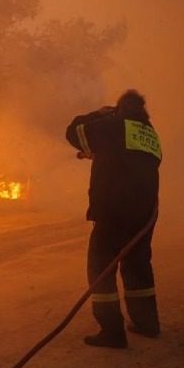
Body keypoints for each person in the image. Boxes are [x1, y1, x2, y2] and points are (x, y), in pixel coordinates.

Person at [65, 89, 162, 348]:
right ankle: (147, 324)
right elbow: (131, 161)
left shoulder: (114, 124)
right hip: (143, 213)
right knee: (137, 265)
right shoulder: (149, 134)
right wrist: (101, 154)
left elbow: (74, 132)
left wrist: (99, 114)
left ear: (118, 109)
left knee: (100, 267)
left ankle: (112, 332)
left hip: (114, 210)